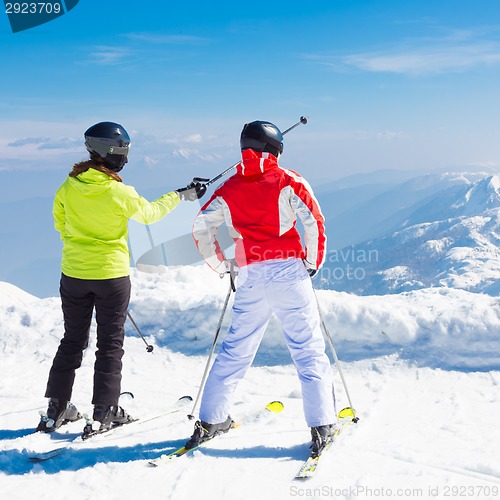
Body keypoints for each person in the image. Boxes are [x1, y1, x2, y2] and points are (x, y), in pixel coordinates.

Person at [37, 121, 206, 434]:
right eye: (122, 152)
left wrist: (80, 247)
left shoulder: (68, 186)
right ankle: (104, 411)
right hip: (110, 277)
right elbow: (150, 214)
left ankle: (56, 408)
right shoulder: (118, 192)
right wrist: (182, 195)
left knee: (71, 341)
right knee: (109, 345)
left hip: (73, 274)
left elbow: (60, 224)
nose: (126, 159)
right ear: (108, 153)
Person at [187, 120, 336, 457]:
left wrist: (224, 264)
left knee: (236, 348)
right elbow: (314, 220)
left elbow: (200, 227)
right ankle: (322, 424)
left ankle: (211, 420)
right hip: (287, 271)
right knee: (307, 348)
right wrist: (311, 263)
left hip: (250, 274)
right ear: (274, 150)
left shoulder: (229, 188)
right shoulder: (287, 180)